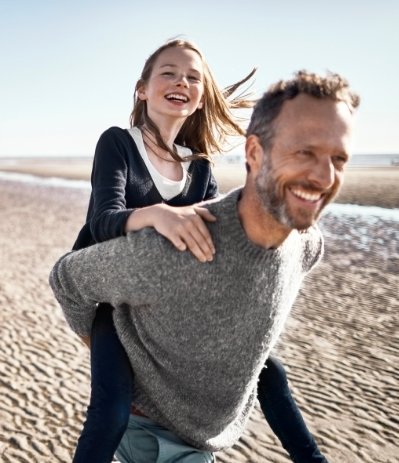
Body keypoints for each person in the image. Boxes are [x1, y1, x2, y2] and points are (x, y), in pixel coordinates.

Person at [50, 70, 359, 462]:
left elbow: (223, 223)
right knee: (108, 411)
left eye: (339, 158)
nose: (324, 175)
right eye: (304, 152)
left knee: (271, 374)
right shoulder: (169, 239)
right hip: (149, 413)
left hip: (207, 430)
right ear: (253, 154)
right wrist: (92, 341)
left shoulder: (305, 244)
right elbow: (75, 266)